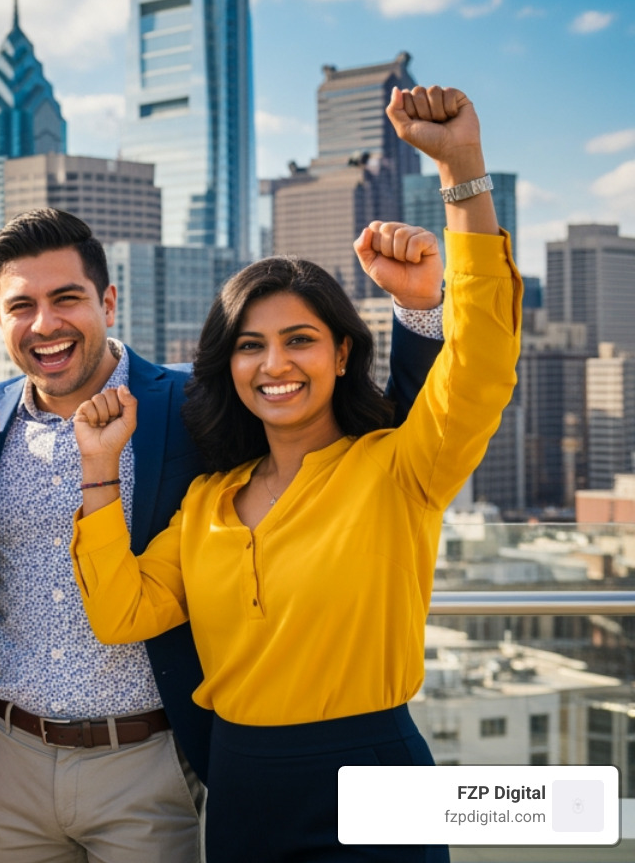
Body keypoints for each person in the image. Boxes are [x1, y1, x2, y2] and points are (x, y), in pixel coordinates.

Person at [69, 85, 517, 862]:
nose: (274, 364)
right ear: (228, 365)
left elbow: (479, 363)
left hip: (375, 777)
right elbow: (121, 613)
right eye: (251, 345)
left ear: (342, 353)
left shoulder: (398, 468)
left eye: (299, 340)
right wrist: (100, 472)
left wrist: (461, 171)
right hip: (241, 787)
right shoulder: (209, 501)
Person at [0, 199, 449, 861]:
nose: (45, 323)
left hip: (152, 759)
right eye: (21, 306)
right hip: (10, 757)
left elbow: (392, 431)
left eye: (66, 297)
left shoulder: (194, 403)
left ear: (109, 302)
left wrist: (419, 311)